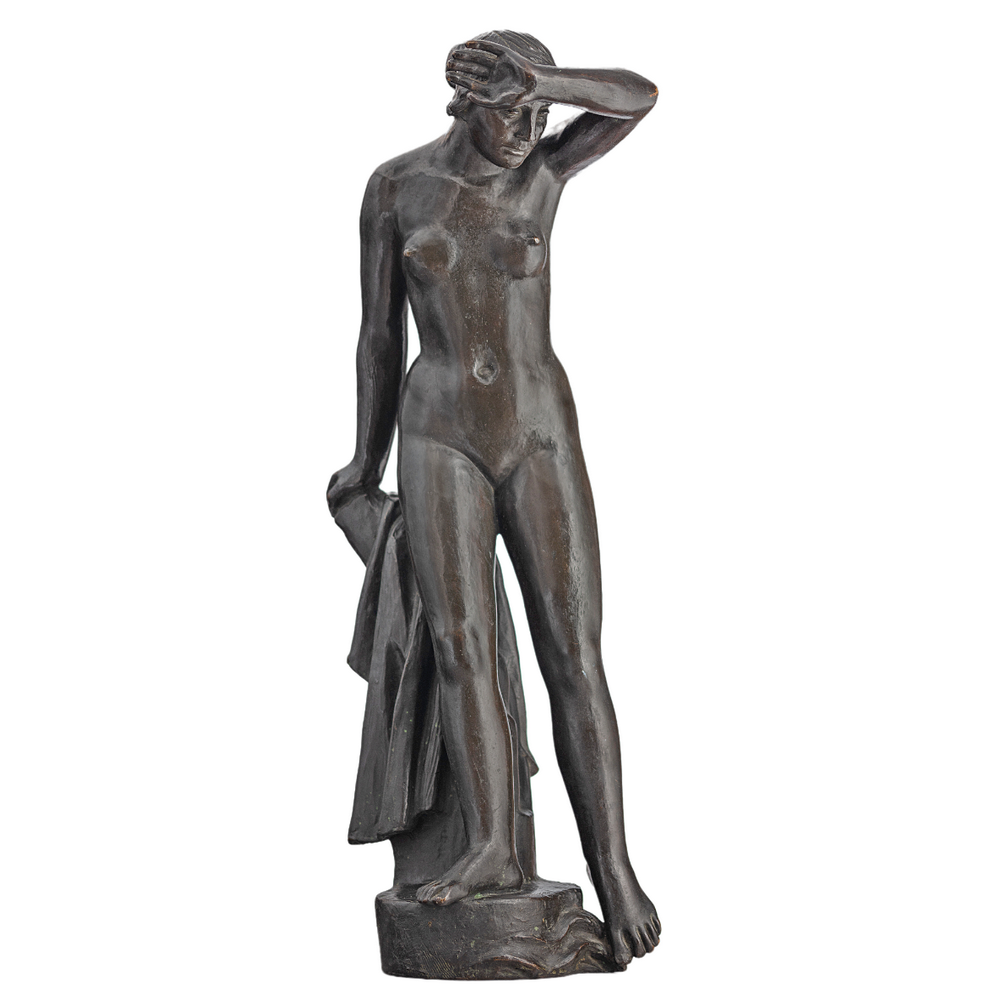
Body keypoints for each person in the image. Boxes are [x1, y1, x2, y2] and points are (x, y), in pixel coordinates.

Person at [327, 30, 659, 968]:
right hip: (438, 435)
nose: (530, 128)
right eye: (513, 111)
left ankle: (615, 870)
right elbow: (377, 336)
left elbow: (639, 96)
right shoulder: (396, 188)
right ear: (464, 103)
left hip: (537, 434)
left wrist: (542, 79)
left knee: (574, 655)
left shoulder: (543, 176)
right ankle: (489, 847)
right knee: (462, 643)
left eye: (541, 113)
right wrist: (362, 460)